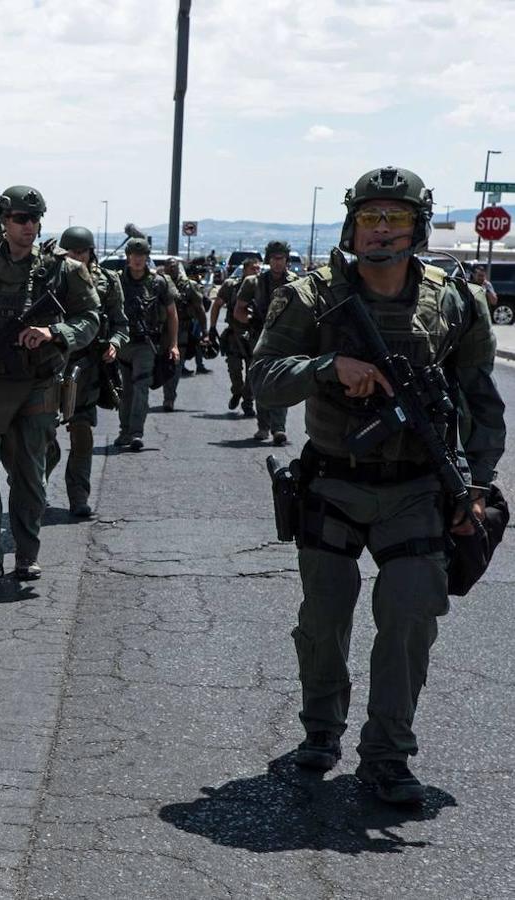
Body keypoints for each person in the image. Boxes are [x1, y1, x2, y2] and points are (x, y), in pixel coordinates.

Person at [250, 166, 505, 804]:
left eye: (395, 218)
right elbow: (263, 375)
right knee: (324, 617)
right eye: (370, 218)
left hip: (419, 487)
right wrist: (327, 366)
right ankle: (321, 729)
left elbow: (482, 400)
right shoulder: (312, 296)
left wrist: (475, 485)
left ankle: (388, 755)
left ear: (417, 226)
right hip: (335, 480)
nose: (382, 230)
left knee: (412, 613)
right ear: (352, 225)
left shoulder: (453, 300)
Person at [0, 186, 99, 584]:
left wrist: (53, 331)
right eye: (20, 219)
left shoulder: (64, 269)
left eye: (35, 219)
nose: (29, 226)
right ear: (3, 221)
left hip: (37, 385)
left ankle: (26, 553)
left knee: (29, 475)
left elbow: (91, 319)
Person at [54, 226, 128, 517]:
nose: (76, 257)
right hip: (50, 364)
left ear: (90, 252)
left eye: (82, 252)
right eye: (71, 252)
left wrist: (114, 343)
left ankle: (78, 496)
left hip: (86, 368)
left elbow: (121, 323)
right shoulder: (47, 277)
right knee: (41, 437)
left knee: (82, 434)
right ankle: (32, 490)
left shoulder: (107, 281)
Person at [113, 237, 179, 450]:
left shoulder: (159, 282)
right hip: (123, 343)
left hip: (146, 344)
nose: (138, 259)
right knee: (126, 390)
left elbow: (172, 314)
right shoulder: (117, 282)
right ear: (128, 257)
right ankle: (124, 431)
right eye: (134, 255)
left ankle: (135, 433)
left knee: (141, 386)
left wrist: (174, 344)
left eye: (142, 256)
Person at [237, 241, 298, 444]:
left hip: (285, 339)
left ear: (287, 260)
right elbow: (240, 309)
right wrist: (252, 323)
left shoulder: (296, 282)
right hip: (259, 338)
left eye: (281, 258)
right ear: (268, 259)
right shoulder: (253, 283)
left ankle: (278, 428)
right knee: (261, 382)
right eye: (274, 258)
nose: (278, 262)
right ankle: (263, 426)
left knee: (281, 382)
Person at [209, 255, 260, 417]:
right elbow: (217, 305)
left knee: (252, 373)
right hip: (235, 336)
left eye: (258, 268)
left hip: (254, 337)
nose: (256, 272)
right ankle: (237, 391)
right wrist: (212, 327)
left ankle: (247, 403)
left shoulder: (262, 288)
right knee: (234, 370)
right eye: (253, 268)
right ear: (244, 270)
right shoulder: (231, 286)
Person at [159, 258, 208, 412]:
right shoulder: (158, 284)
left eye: (174, 267)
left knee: (175, 364)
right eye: (168, 266)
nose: (171, 269)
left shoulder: (189, 286)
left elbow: (200, 309)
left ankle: (169, 398)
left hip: (182, 330)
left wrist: (205, 332)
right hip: (159, 331)